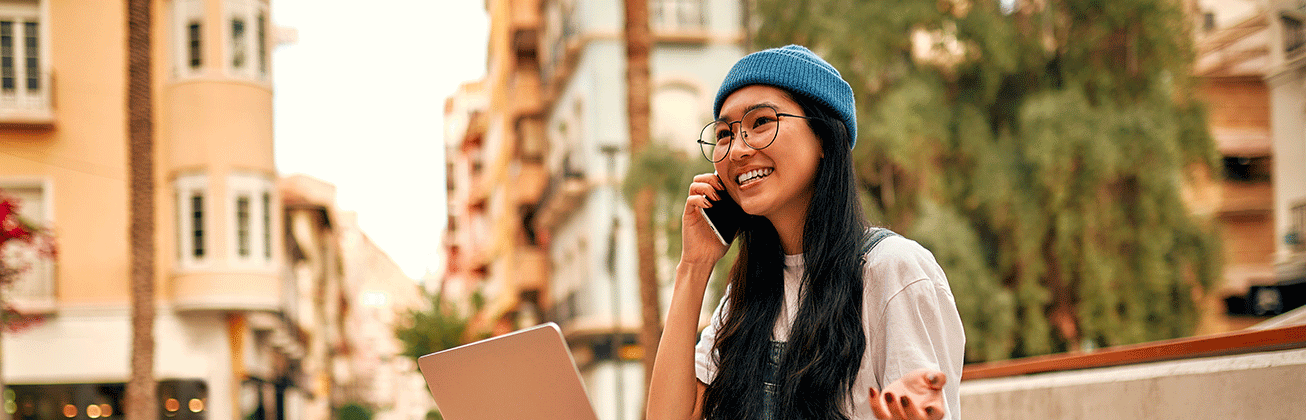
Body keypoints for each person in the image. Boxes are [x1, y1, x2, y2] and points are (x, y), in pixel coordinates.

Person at [645, 45, 966, 420]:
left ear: (825, 138)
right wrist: (693, 267)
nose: (737, 150)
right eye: (724, 133)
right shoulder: (744, 298)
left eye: (760, 122)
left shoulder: (893, 272)